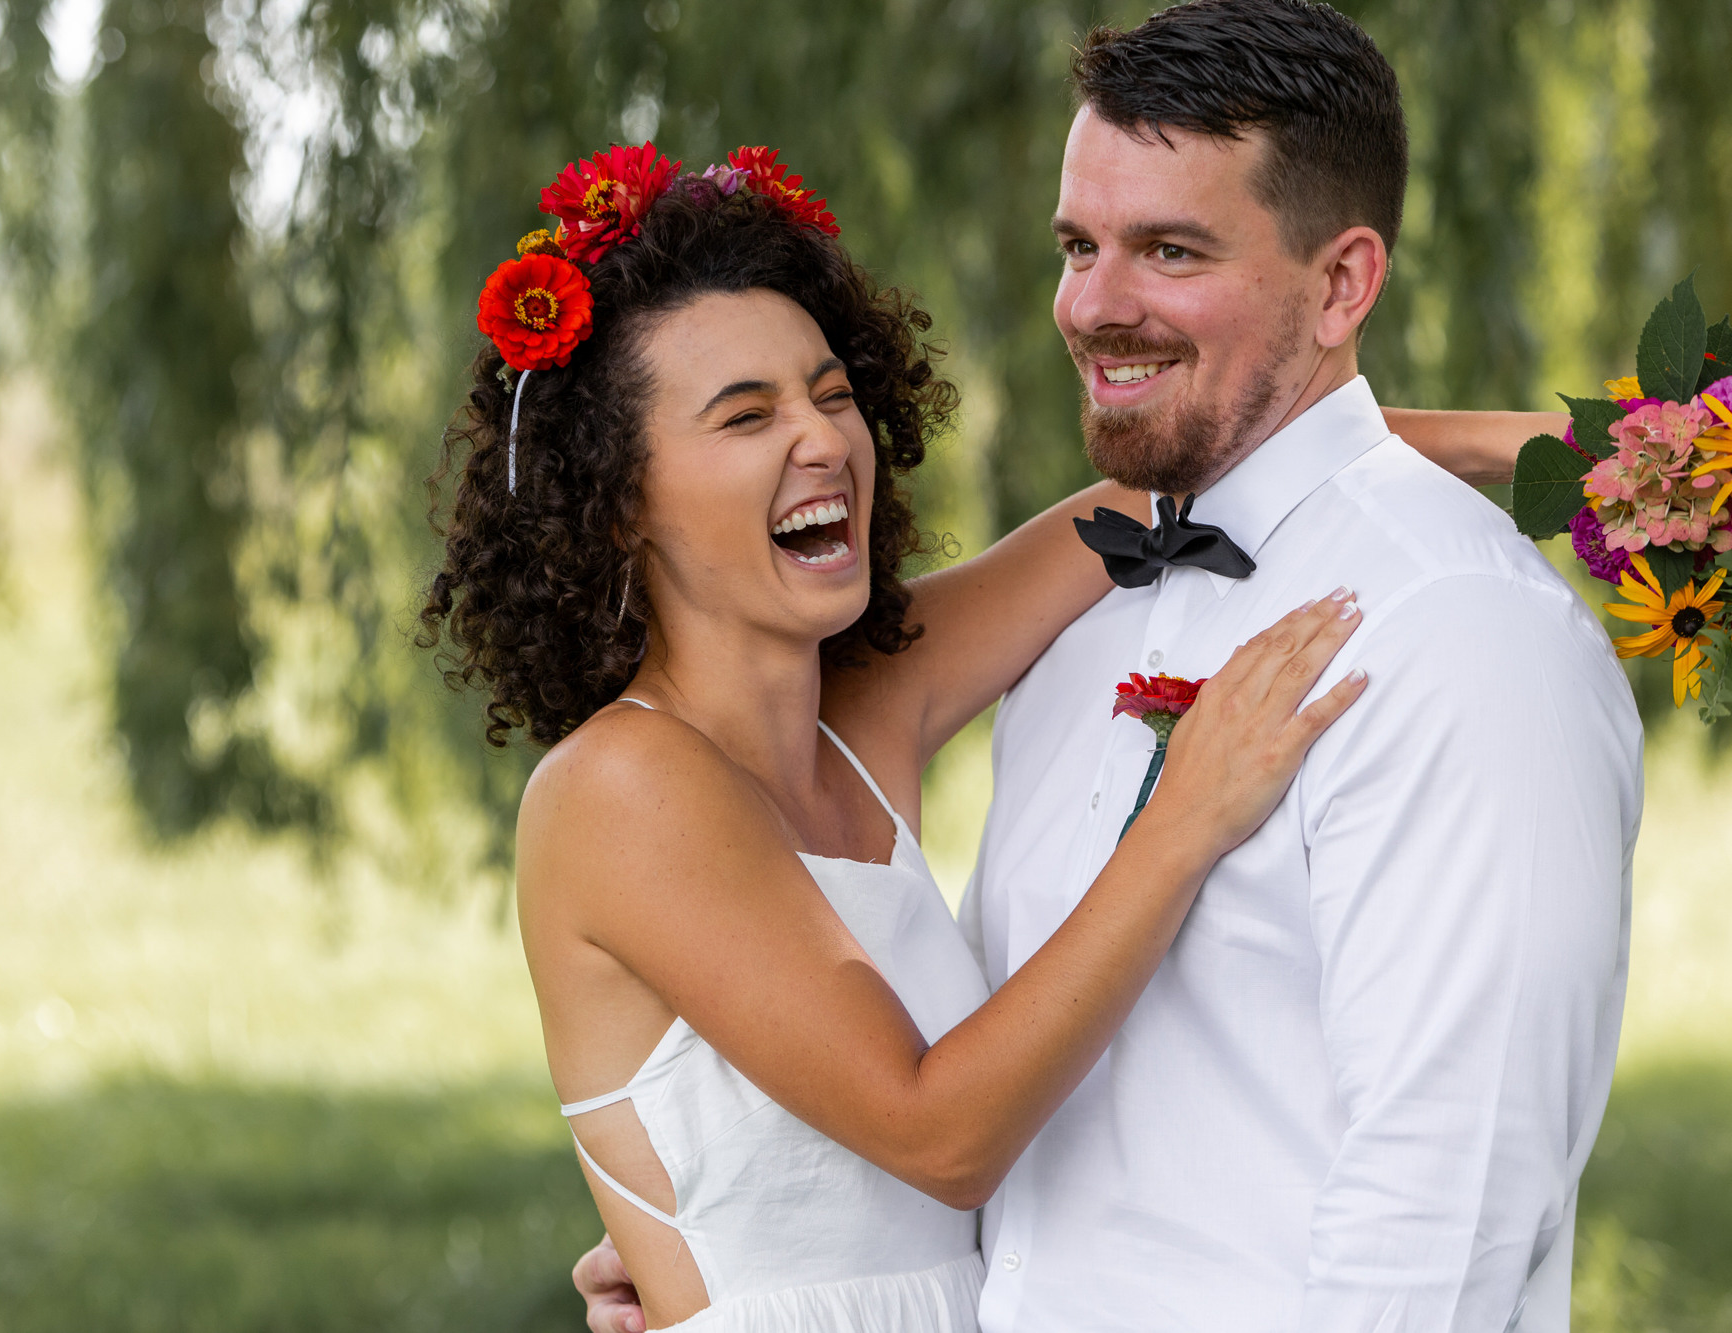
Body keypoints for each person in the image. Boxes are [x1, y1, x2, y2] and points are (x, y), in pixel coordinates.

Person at [577, 3, 1643, 1331]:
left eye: (1171, 249)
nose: (1093, 304)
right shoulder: (1065, 639)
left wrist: (1568, 451)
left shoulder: (1459, 640)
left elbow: (1448, 1210)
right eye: (1079, 246)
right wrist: (745, 1246)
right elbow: (984, 1129)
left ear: (1342, 284)